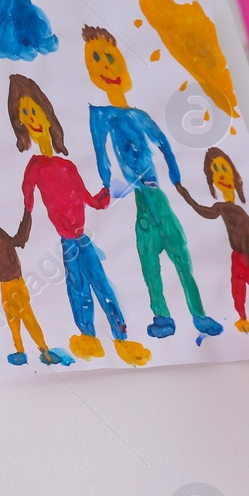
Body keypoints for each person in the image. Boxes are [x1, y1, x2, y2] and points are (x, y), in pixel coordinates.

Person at [82, 25, 224, 342]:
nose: (106, 66)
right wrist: (106, 185)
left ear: (122, 63)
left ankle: (199, 315)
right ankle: (163, 317)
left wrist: (175, 177)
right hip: (140, 199)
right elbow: (100, 152)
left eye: (110, 58)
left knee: (181, 255)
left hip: (157, 195)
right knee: (149, 263)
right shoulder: (101, 115)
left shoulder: (139, 114)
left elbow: (163, 144)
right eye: (96, 60)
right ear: (91, 71)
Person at [10, 74, 150, 366]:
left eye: (34, 111)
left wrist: (105, 195)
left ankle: (120, 335)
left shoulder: (68, 165)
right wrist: (24, 227)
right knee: (78, 287)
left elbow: (88, 199)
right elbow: (28, 198)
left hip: (82, 239)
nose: (32, 119)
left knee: (100, 283)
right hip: (67, 241)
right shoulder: (34, 166)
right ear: (22, 126)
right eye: (25, 115)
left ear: (47, 117)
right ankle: (88, 336)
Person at [0, 168, 72, 367]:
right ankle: (41, 349)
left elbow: (18, 241)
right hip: (9, 284)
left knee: (16, 318)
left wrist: (27, 212)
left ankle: (23, 351)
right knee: (23, 316)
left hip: (17, 281)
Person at [173, 147, 249, 338]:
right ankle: (243, 319)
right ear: (212, 179)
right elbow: (204, 211)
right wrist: (186, 196)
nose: (221, 176)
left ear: (234, 173)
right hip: (239, 258)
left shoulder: (238, 208)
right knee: (239, 290)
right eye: (215, 172)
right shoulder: (222, 207)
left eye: (224, 169)